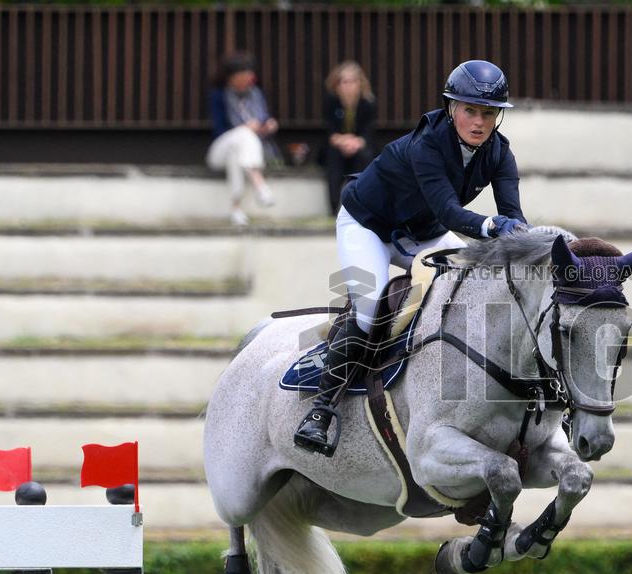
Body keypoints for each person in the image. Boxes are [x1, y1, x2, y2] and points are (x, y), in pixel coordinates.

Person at [294, 59, 528, 455]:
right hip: (368, 226)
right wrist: (493, 228)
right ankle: (321, 409)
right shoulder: (427, 144)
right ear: (451, 108)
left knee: (470, 288)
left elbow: (514, 217)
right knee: (370, 310)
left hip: (422, 234)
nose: (479, 122)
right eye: (469, 110)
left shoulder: (500, 153)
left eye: (489, 114)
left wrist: (527, 242)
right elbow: (450, 212)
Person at [206, 53, 278, 227]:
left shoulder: (256, 94)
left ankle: (236, 209)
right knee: (243, 135)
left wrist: (267, 126)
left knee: (237, 154)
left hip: (241, 152)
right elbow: (220, 129)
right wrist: (247, 128)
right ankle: (259, 184)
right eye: (243, 74)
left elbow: (262, 119)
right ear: (231, 77)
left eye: (249, 74)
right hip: (219, 150)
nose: (248, 78)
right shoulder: (219, 96)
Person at [320, 61, 377, 215]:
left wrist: (355, 143)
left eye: (352, 81)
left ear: (360, 84)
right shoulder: (331, 102)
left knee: (365, 156)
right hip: (337, 146)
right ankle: (334, 208)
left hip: (358, 146)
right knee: (333, 158)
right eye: (344, 82)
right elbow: (330, 131)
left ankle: (361, 204)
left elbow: (367, 132)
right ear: (337, 85)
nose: (348, 86)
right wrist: (344, 141)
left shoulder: (368, 103)